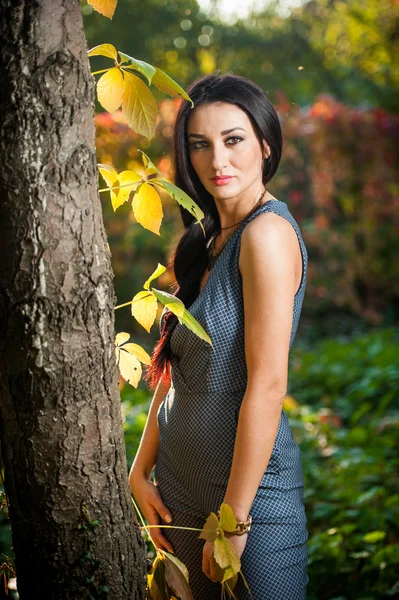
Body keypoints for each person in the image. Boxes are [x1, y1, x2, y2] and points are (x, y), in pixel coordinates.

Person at [129, 72, 309, 599]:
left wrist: (233, 520)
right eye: (200, 145)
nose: (217, 161)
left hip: (249, 505)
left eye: (233, 140)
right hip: (179, 493)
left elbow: (269, 386)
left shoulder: (267, 235)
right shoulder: (203, 237)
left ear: (265, 145)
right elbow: (176, 369)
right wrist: (140, 472)